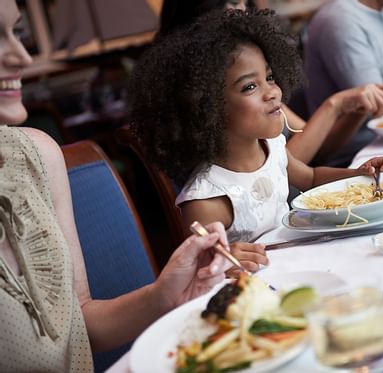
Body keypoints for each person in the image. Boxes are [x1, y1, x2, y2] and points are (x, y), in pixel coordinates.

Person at [0, 1, 231, 370]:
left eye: (18, 32)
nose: (21, 56)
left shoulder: (38, 155)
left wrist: (164, 294)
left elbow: (83, 324)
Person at [128, 9, 383, 261]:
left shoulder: (272, 147)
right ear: (206, 108)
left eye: (270, 77)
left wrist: (358, 175)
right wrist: (223, 262)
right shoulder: (208, 199)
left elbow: (311, 178)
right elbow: (200, 271)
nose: (272, 92)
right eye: (250, 86)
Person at [157, 0, 383, 166]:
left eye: (245, 1)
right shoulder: (207, 94)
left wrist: (354, 111)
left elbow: (318, 149)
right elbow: (278, 170)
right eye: (233, 2)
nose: (244, 11)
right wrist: (334, 105)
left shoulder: (256, 84)